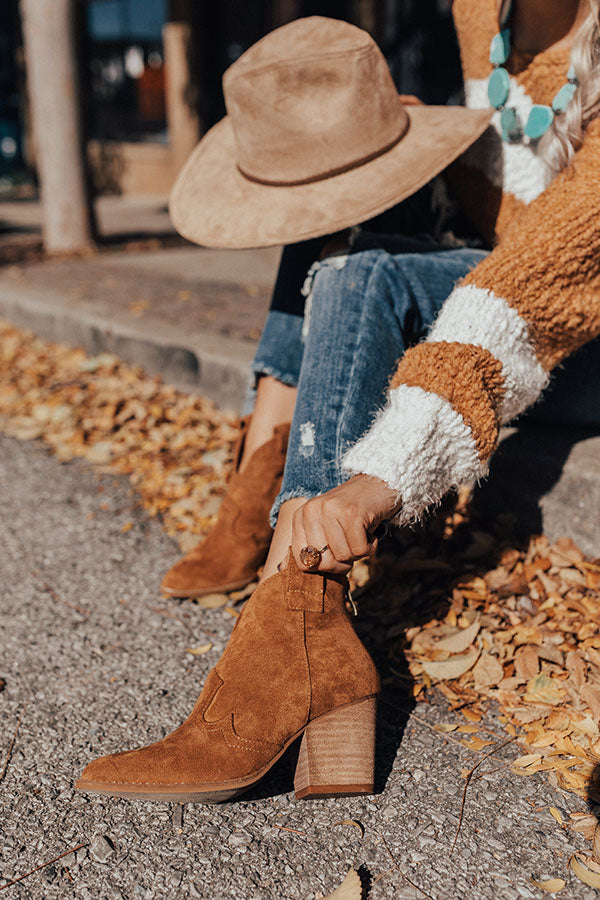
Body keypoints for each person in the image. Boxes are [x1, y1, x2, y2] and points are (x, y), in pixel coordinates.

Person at [76, 0, 600, 803]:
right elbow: (501, 197)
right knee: (336, 174)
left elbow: (526, 291)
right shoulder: (478, 13)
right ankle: (266, 479)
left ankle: (297, 583)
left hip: (573, 333)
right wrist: (403, 143)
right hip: (501, 273)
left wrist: (380, 478)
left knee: (362, 274)